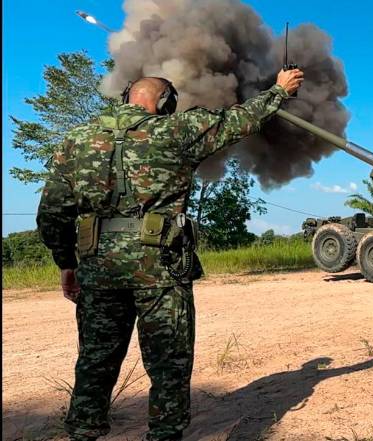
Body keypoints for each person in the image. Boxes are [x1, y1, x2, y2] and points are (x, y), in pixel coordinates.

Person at [36, 68, 304, 441]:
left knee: (95, 362)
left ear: (127, 96)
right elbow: (241, 119)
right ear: (165, 103)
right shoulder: (176, 131)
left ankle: (83, 432)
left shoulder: (76, 142)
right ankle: (164, 435)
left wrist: (67, 265)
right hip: (160, 270)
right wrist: (279, 90)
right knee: (168, 365)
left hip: (98, 270)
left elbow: (50, 214)